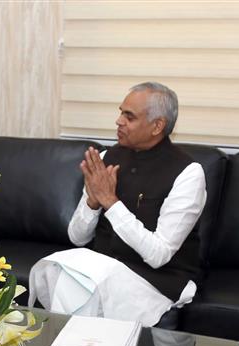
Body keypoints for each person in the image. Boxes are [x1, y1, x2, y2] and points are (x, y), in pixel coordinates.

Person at [29, 82, 207, 327]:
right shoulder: (106, 159)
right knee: (59, 266)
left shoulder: (188, 173)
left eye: (129, 116)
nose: (118, 121)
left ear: (157, 126)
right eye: (121, 112)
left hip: (155, 280)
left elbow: (159, 255)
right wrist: (92, 202)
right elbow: (77, 238)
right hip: (101, 271)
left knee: (87, 283)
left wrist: (111, 203)